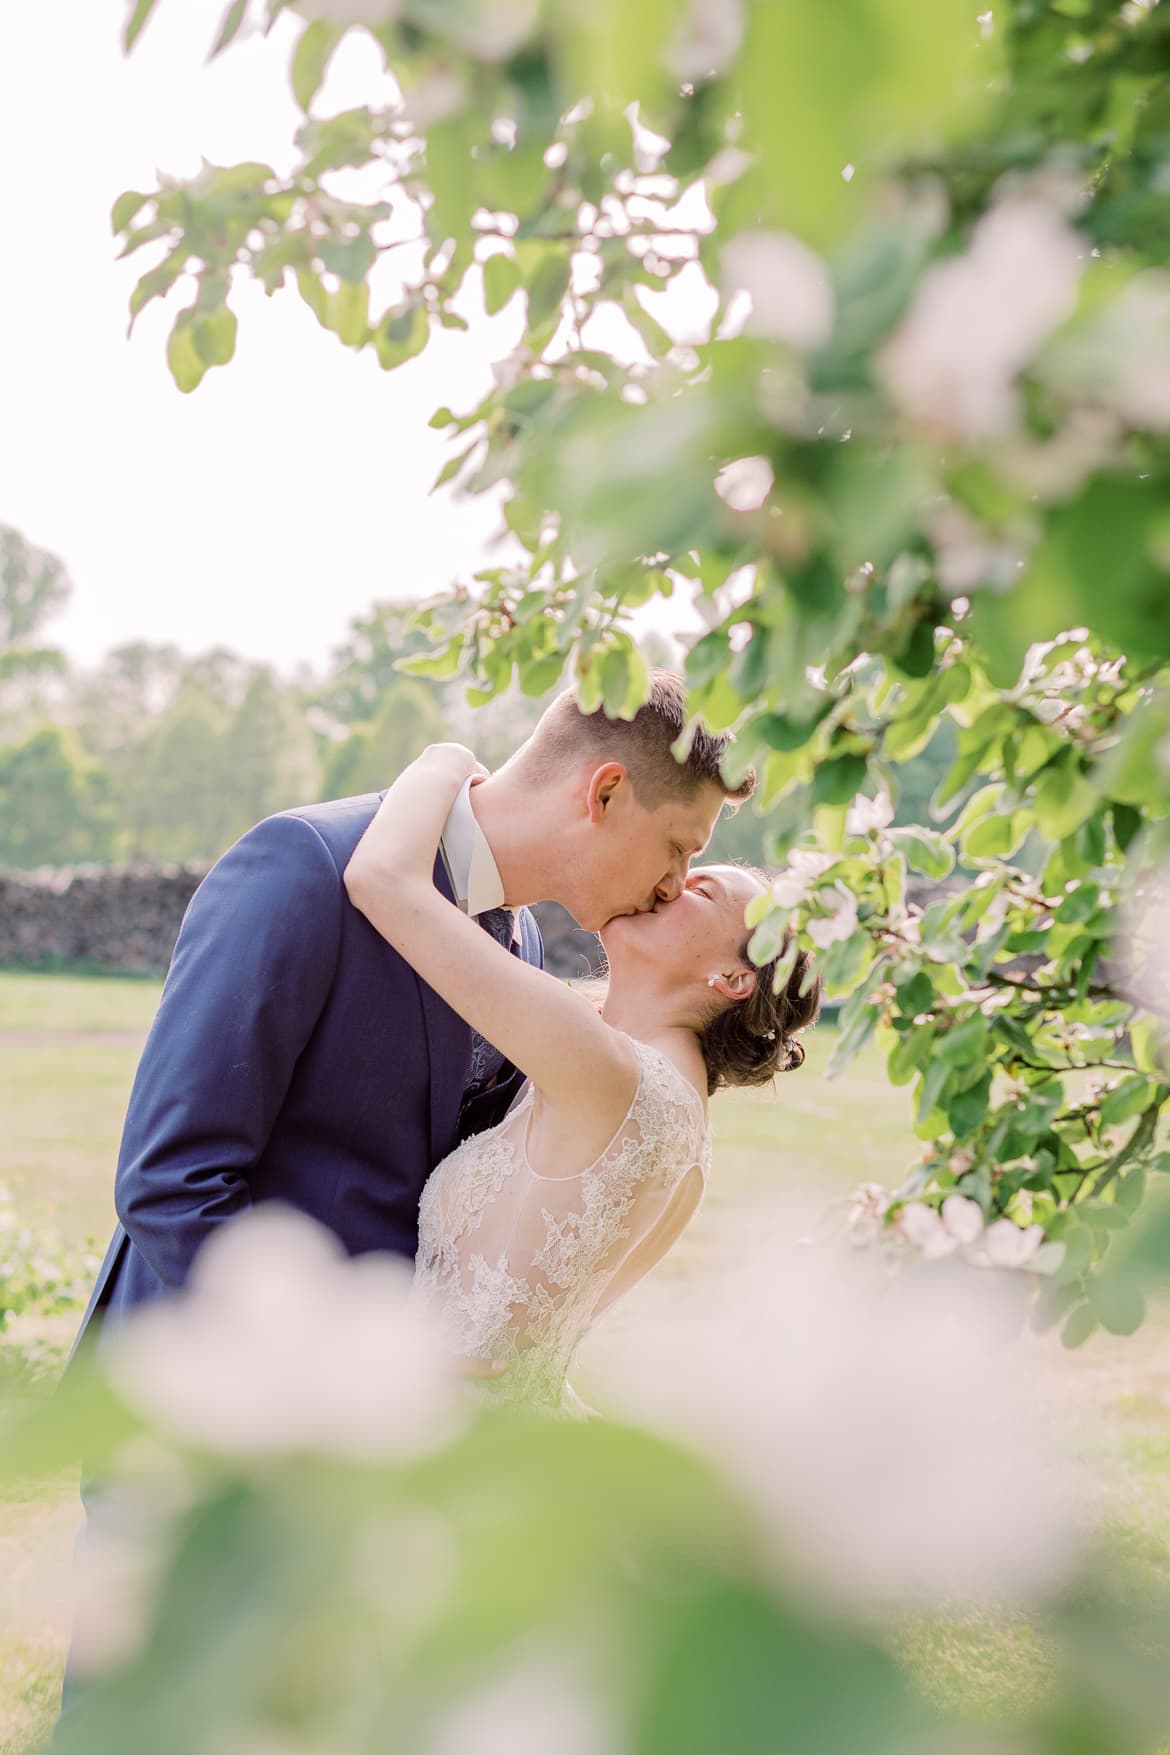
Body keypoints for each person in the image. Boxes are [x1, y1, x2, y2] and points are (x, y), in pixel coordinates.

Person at [57, 670, 752, 1709]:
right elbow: (172, 1182)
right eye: (678, 850)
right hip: (198, 1417)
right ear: (605, 792)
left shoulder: (518, 946)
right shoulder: (304, 866)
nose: (672, 884)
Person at [344, 741, 822, 1415]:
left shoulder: (604, 1069)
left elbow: (383, 880)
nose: (671, 882)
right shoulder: (684, 1134)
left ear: (732, 978)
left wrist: (444, 758)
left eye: (701, 889)